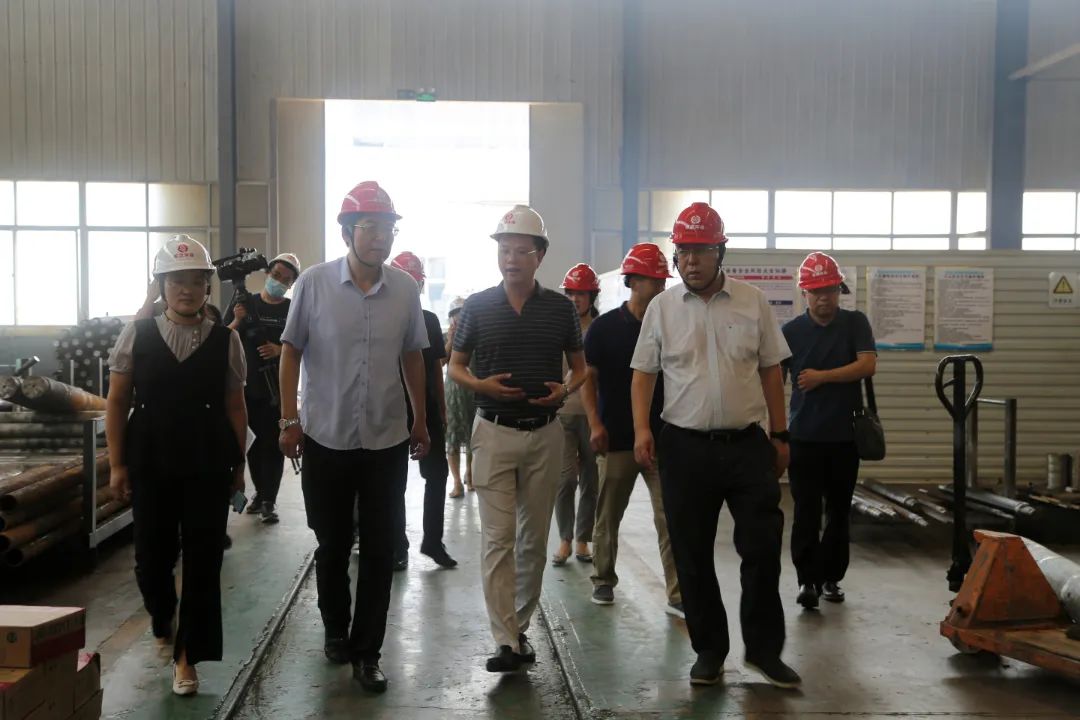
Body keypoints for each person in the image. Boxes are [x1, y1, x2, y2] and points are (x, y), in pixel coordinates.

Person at [630, 202, 801, 689]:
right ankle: (710, 650)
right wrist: (642, 430)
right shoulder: (663, 309)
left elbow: (771, 369)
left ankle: (763, 651)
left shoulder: (752, 302)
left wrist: (780, 434)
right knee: (691, 553)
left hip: (747, 446)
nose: (692, 260)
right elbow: (643, 374)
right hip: (684, 449)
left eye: (702, 250)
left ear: (720, 252)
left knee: (762, 548)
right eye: (684, 251)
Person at [277, 181, 430, 694]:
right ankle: (335, 630)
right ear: (347, 231)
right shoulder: (314, 284)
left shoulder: (404, 290)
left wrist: (421, 420)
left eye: (387, 228)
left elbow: (413, 355)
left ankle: (368, 652)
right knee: (333, 543)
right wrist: (288, 420)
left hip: (386, 439)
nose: (380, 237)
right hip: (326, 436)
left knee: (381, 549)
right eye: (370, 227)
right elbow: (291, 351)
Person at [447, 204, 587, 673]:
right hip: (493, 432)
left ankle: (519, 626)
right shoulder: (477, 307)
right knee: (498, 539)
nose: (510, 258)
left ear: (539, 255)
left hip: (545, 435)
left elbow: (581, 368)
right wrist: (481, 386)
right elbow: (456, 366)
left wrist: (565, 390)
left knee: (532, 540)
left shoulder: (561, 309)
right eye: (504, 249)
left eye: (520, 250)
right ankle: (505, 640)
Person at [106, 235, 248, 696]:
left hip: (208, 459)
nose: (185, 289)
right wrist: (117, 465)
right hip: (151, 459)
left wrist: (239, 465)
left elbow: (235, 405)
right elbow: (117, 402)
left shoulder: (226, 341)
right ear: (161, 286)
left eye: (194, 281)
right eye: (175, 281)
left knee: (204, 560)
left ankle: (188, 658)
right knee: (151, 559)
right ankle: (162, 615)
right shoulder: (138, 334)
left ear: (207, 286)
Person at [583, 243, 682, 617]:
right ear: (632, 281)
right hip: (617, 438)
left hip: (663, 439)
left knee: (669, 518)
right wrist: (595, 423)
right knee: (608, 516)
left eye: (662, 281)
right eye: (654, 280)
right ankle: (603, 579)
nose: (660, 287)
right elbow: (588, 380)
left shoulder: (669, 326)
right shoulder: (604, 329)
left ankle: (677, 592)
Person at [782, 252, 876, 610]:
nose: (824, 298)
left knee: (838, 511)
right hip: (804, 437)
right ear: (804, 293)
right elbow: (773, 379)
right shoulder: (790, 332)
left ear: (840, 291)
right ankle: (807, 581)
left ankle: (831, 577)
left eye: (830, 290)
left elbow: (867, 365)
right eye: (816, 291)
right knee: (805, 511)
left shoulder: (855, 323)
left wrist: (823, 377)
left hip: (844, 437)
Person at [390, 250, 457, 570]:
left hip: (426, 409)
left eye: (416, 282)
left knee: (437, 474)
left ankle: (433, 541)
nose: (413, 287)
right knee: (394, 480)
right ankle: (397, 544)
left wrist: (441, 410)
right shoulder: (383, 319)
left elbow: (434, 371)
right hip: (391, 410)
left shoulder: (428, 320)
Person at [224, 252, 301, 525]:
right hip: (246, 388)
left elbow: (304, 344)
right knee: (253, 446)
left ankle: (270, 499)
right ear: (267, 273)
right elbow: (222, 337)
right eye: (276, 275)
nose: (278, 281)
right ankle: (259, 493)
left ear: (291, 284)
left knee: (274, 445)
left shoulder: (292, 309)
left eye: (285, 279)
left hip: (276, 390)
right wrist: (236, 319)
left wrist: (279, 350)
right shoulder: (246, 304)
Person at [552, 263, 600, 566]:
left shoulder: (601, 329)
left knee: (592, 479)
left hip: (594, 416)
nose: (575, 299)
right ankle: (565, 539)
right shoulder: (557, 328)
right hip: (562, 414)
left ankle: (583, 538)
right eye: (570, 293)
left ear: (592, 296)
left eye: (581, 294)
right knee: (566, 479)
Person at [444, 297, 475, 498]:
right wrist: (450, 341)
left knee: (473, 436)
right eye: (455, 315)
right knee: (452, 438)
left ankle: (470, 475)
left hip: (473, 390)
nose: (459, 318)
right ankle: (457, 482)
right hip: (452, 394)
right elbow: (440, 361)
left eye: (462, 313)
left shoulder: (476, 334)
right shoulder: (447, 336)